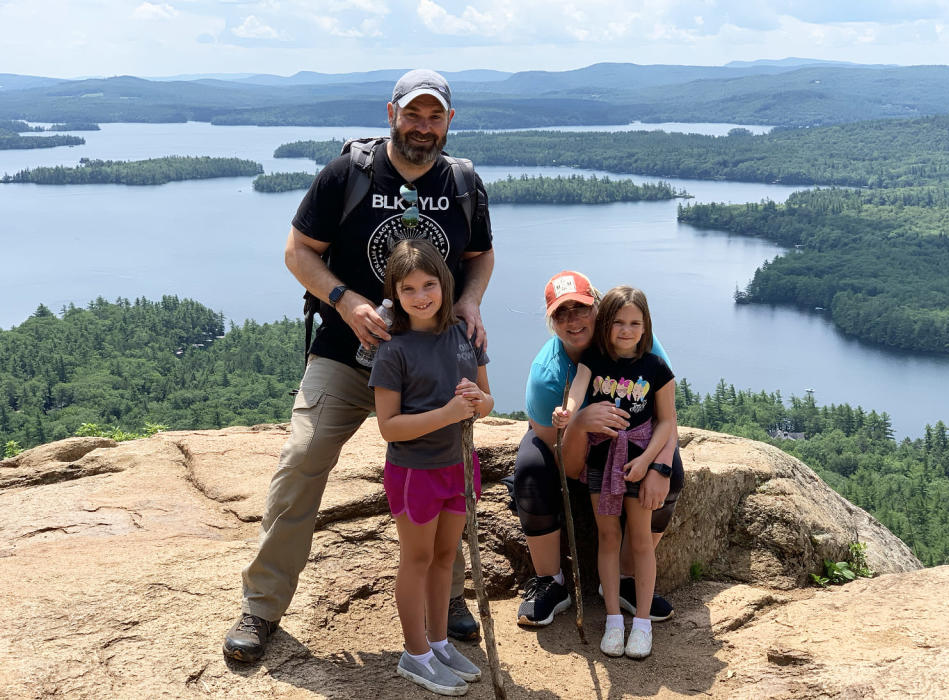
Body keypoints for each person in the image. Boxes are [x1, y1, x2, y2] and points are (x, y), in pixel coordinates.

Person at [224, 69, 495, 663]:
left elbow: (479, 256)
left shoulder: (464, 183)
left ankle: (444, 601)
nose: (422, 127)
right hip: (349, 356)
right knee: (301, 462)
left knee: (445, 473)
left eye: (434, 116)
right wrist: (345, 301)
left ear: (449, 121)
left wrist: (470, 300)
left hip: (431, 364)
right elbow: (299, 251)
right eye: (412, 114)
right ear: (390, 112)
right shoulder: (348, 173)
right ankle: (263, 604)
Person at [513, 270, 683, 628]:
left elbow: (667, 417)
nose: (573, 320)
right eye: (562, 313)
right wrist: (578, 423)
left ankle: (624, 578)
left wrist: (661, 468)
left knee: (673, 474)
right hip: (569, 447)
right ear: (551, 322)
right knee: (530, 470)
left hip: (635, 440)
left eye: (581, 308)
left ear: (598, 306)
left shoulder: (637, 343)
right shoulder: (549, 374)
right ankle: (551, 581)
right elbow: (567, 466)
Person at [370, 240, 493, 695]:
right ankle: (414, 652)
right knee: (417, 559)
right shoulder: (393, 349)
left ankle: (438, 643)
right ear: (395, 295)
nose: (421, 296)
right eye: (408, 289)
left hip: (458, 467)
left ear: (445, 283)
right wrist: (446, 413)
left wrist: (480, 404)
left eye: (429, 284)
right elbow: (389, 427)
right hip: (415, 473)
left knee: (445, 558)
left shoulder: (463, 334)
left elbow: (487, 398)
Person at [555, 285, 676, 659]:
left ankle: (641, 623)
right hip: (602, 457)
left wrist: (648, 463)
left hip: (637, 458)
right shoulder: (594, 359)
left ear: (646, 326)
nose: (626, 330)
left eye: (635, 323)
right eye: (619, 322)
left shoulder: (656, 367)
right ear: (606, 324)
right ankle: (612, 619)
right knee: (608, 536)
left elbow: (667, 421)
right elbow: (577, 388)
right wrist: (568, 413)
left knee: (639, 540)